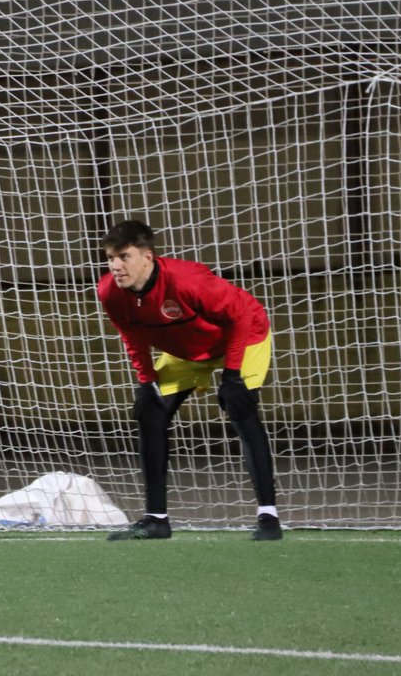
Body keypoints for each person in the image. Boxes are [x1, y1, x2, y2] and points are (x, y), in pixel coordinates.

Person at [97, 220, 281, 541]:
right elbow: (131, 334)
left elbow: (240, 316)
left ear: (147, 257)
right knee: (152, 414)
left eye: (124, 257)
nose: (115, 266)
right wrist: (146, 381)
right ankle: (156, 520)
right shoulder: (109, 292)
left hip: (244, 336)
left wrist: (232, 375)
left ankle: (269, 518)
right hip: (186, 350)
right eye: (111, 258)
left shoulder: (187, 281)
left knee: (241, 410)